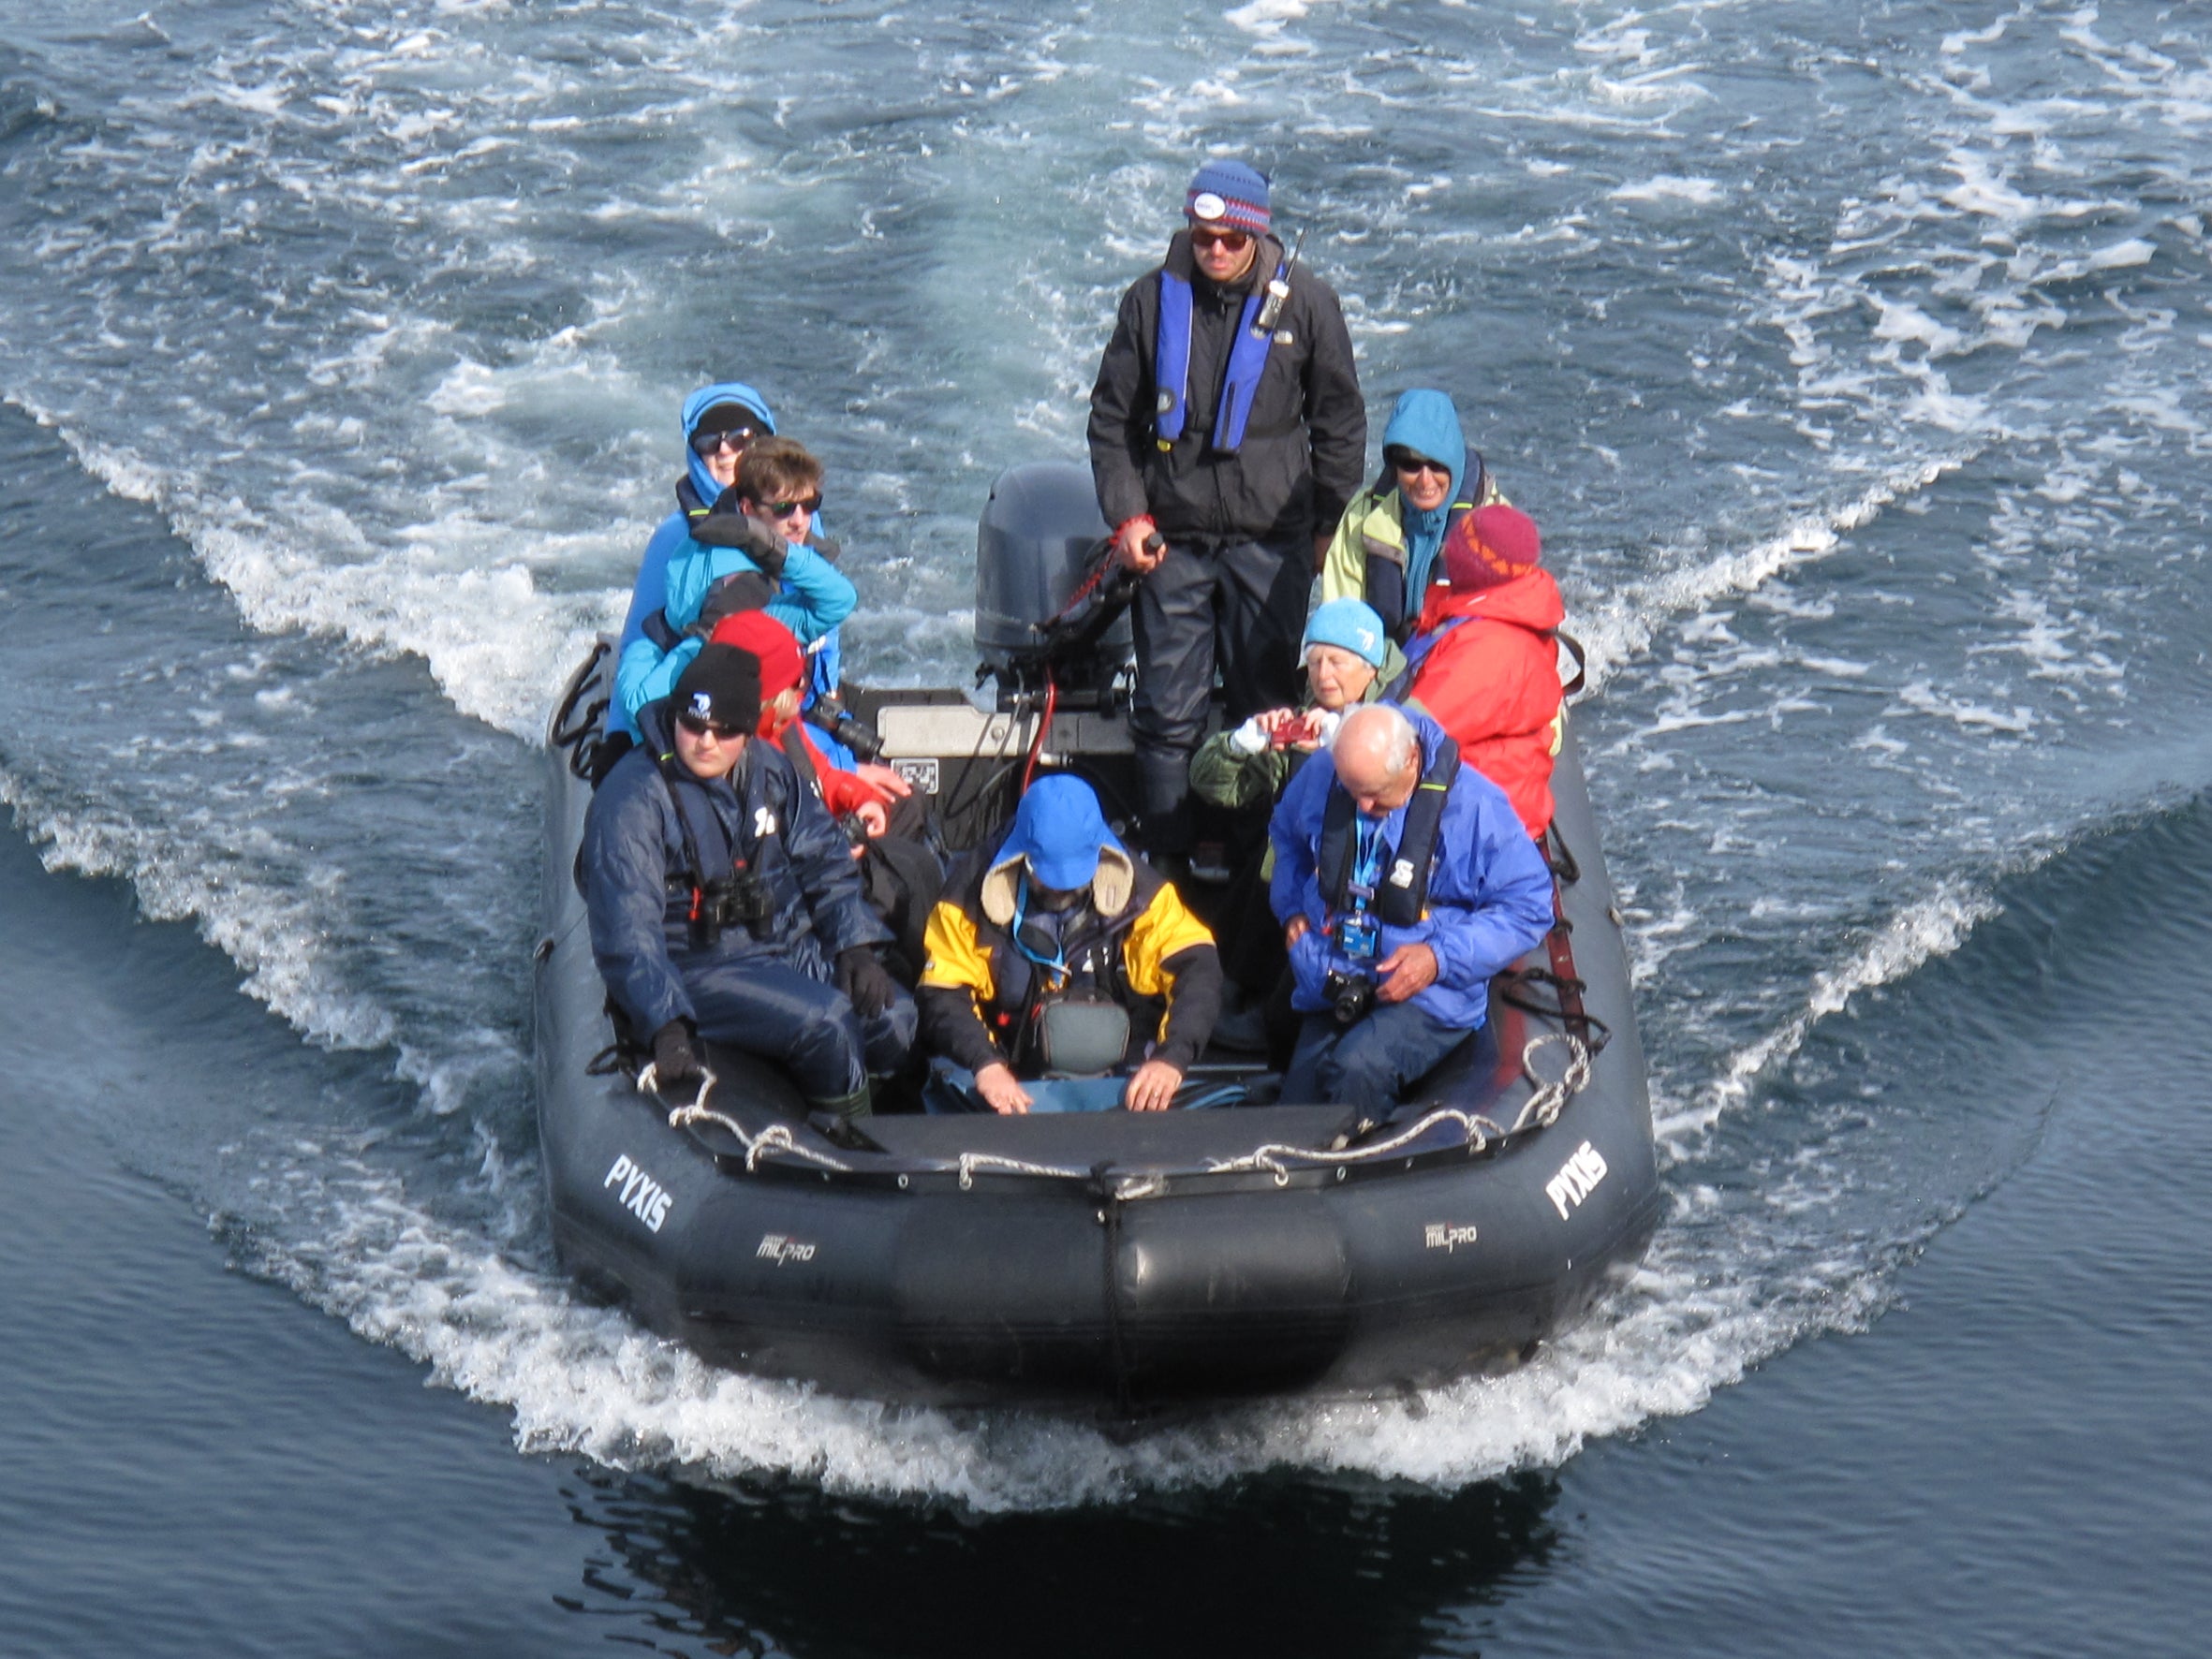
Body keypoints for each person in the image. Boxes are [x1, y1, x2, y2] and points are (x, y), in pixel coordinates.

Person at [1087, 158, 1366, 858]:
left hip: (1271, 544)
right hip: (1172, 543)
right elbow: (1111, 422)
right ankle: (1168, 870)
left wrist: (1329, 527)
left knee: (1266, 711)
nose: (1215, 250)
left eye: (1229, 239)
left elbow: (1339, 423)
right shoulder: (1150, 302)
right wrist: (1129, 518)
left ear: (1255, 235)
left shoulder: (1307, 302)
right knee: (1166, 719)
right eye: (1203, 236)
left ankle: (1253, 867)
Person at [582, 640, 913, 1121]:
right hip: (700, 964)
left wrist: (854, 946)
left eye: (724, 730)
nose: (705, 741)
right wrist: (665, 1023)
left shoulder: (771, 768)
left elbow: (824, 859)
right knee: (828, 1022)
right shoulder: (633, 802)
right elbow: (626, 926)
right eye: (692, 725)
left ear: (746, 731)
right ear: (675, 717)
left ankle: (881, 1116)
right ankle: (847, 1143)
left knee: (894, 1017)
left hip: (783, 945)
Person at [1270, 703, 1553, 1117]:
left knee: (1357, 1067)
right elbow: (1286, 835)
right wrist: (1292, 908)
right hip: (1334, 973)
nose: (1363, 806)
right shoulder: (1325, 774)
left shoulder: (1475, 810)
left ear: (1412, 761)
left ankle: (1364, 1160)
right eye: (1353, 791)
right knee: (1296, 1111)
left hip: (1429, 992)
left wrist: (1438, 959)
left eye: (1376, 793)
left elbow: (1528, 906)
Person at [915, 774, 1223, 1114]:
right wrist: (985, 1065)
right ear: (1021, 855)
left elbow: (1198, 964)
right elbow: (942, 991)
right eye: (1048, 876)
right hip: (1008, 1073)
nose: (1061, 888)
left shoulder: (1145, 892)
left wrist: (1171, 1059)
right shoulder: (965, 897)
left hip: (1121, 1078)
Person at [707, 609, 943, 979]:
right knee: (909, 872)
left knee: (906, 804)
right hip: (801, 877)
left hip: (825, 833)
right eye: (794, 685)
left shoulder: (784, 728)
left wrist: (860, 797)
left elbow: (821, 776)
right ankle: (916, 973)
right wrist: (834, 845)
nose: (802, 692)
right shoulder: (741, 763)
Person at [614, 435, 856, 738]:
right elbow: (644, 701)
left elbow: (841, 598)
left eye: (809, 505)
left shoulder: (776, 556)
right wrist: (648, 646)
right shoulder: (739, 591)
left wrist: (774, 548)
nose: (799, 521)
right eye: (783, 508)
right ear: (748, 509)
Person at [608, 383, 778, 753]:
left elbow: (823, 629)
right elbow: (641, 638)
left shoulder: (796, 519)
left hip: (778, 699)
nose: (724, 449)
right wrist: (618, 734)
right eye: (709, 441)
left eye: (740, 437)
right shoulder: (674, 537)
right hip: (701, 714)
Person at [1399, 504, 1566, 840]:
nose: (1446, 550)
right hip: (1484, 800)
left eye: (1456, 547)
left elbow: (1410, 734)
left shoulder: (1489, 649)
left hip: (1475, 824)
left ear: (1473, 565)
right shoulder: (1493, 618)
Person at [1318, 388, 1509, 642]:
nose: (1425, 479)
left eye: (1438, 465)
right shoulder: (1360, 518)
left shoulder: (1497, 523)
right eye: (1411, 465)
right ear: (1394, 465)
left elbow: (1507, 628)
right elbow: (1339, 619)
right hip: (1383, 665)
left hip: (1465, 658)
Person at [1188, 596, 1406, 815]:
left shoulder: (1407, 713)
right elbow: (1215, 787)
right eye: (1314, 662)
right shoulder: (1304, 727)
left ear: (1371, 669)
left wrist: (1343, 736)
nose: (1323, 675)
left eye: (1336, 662)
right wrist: (1238, 745)